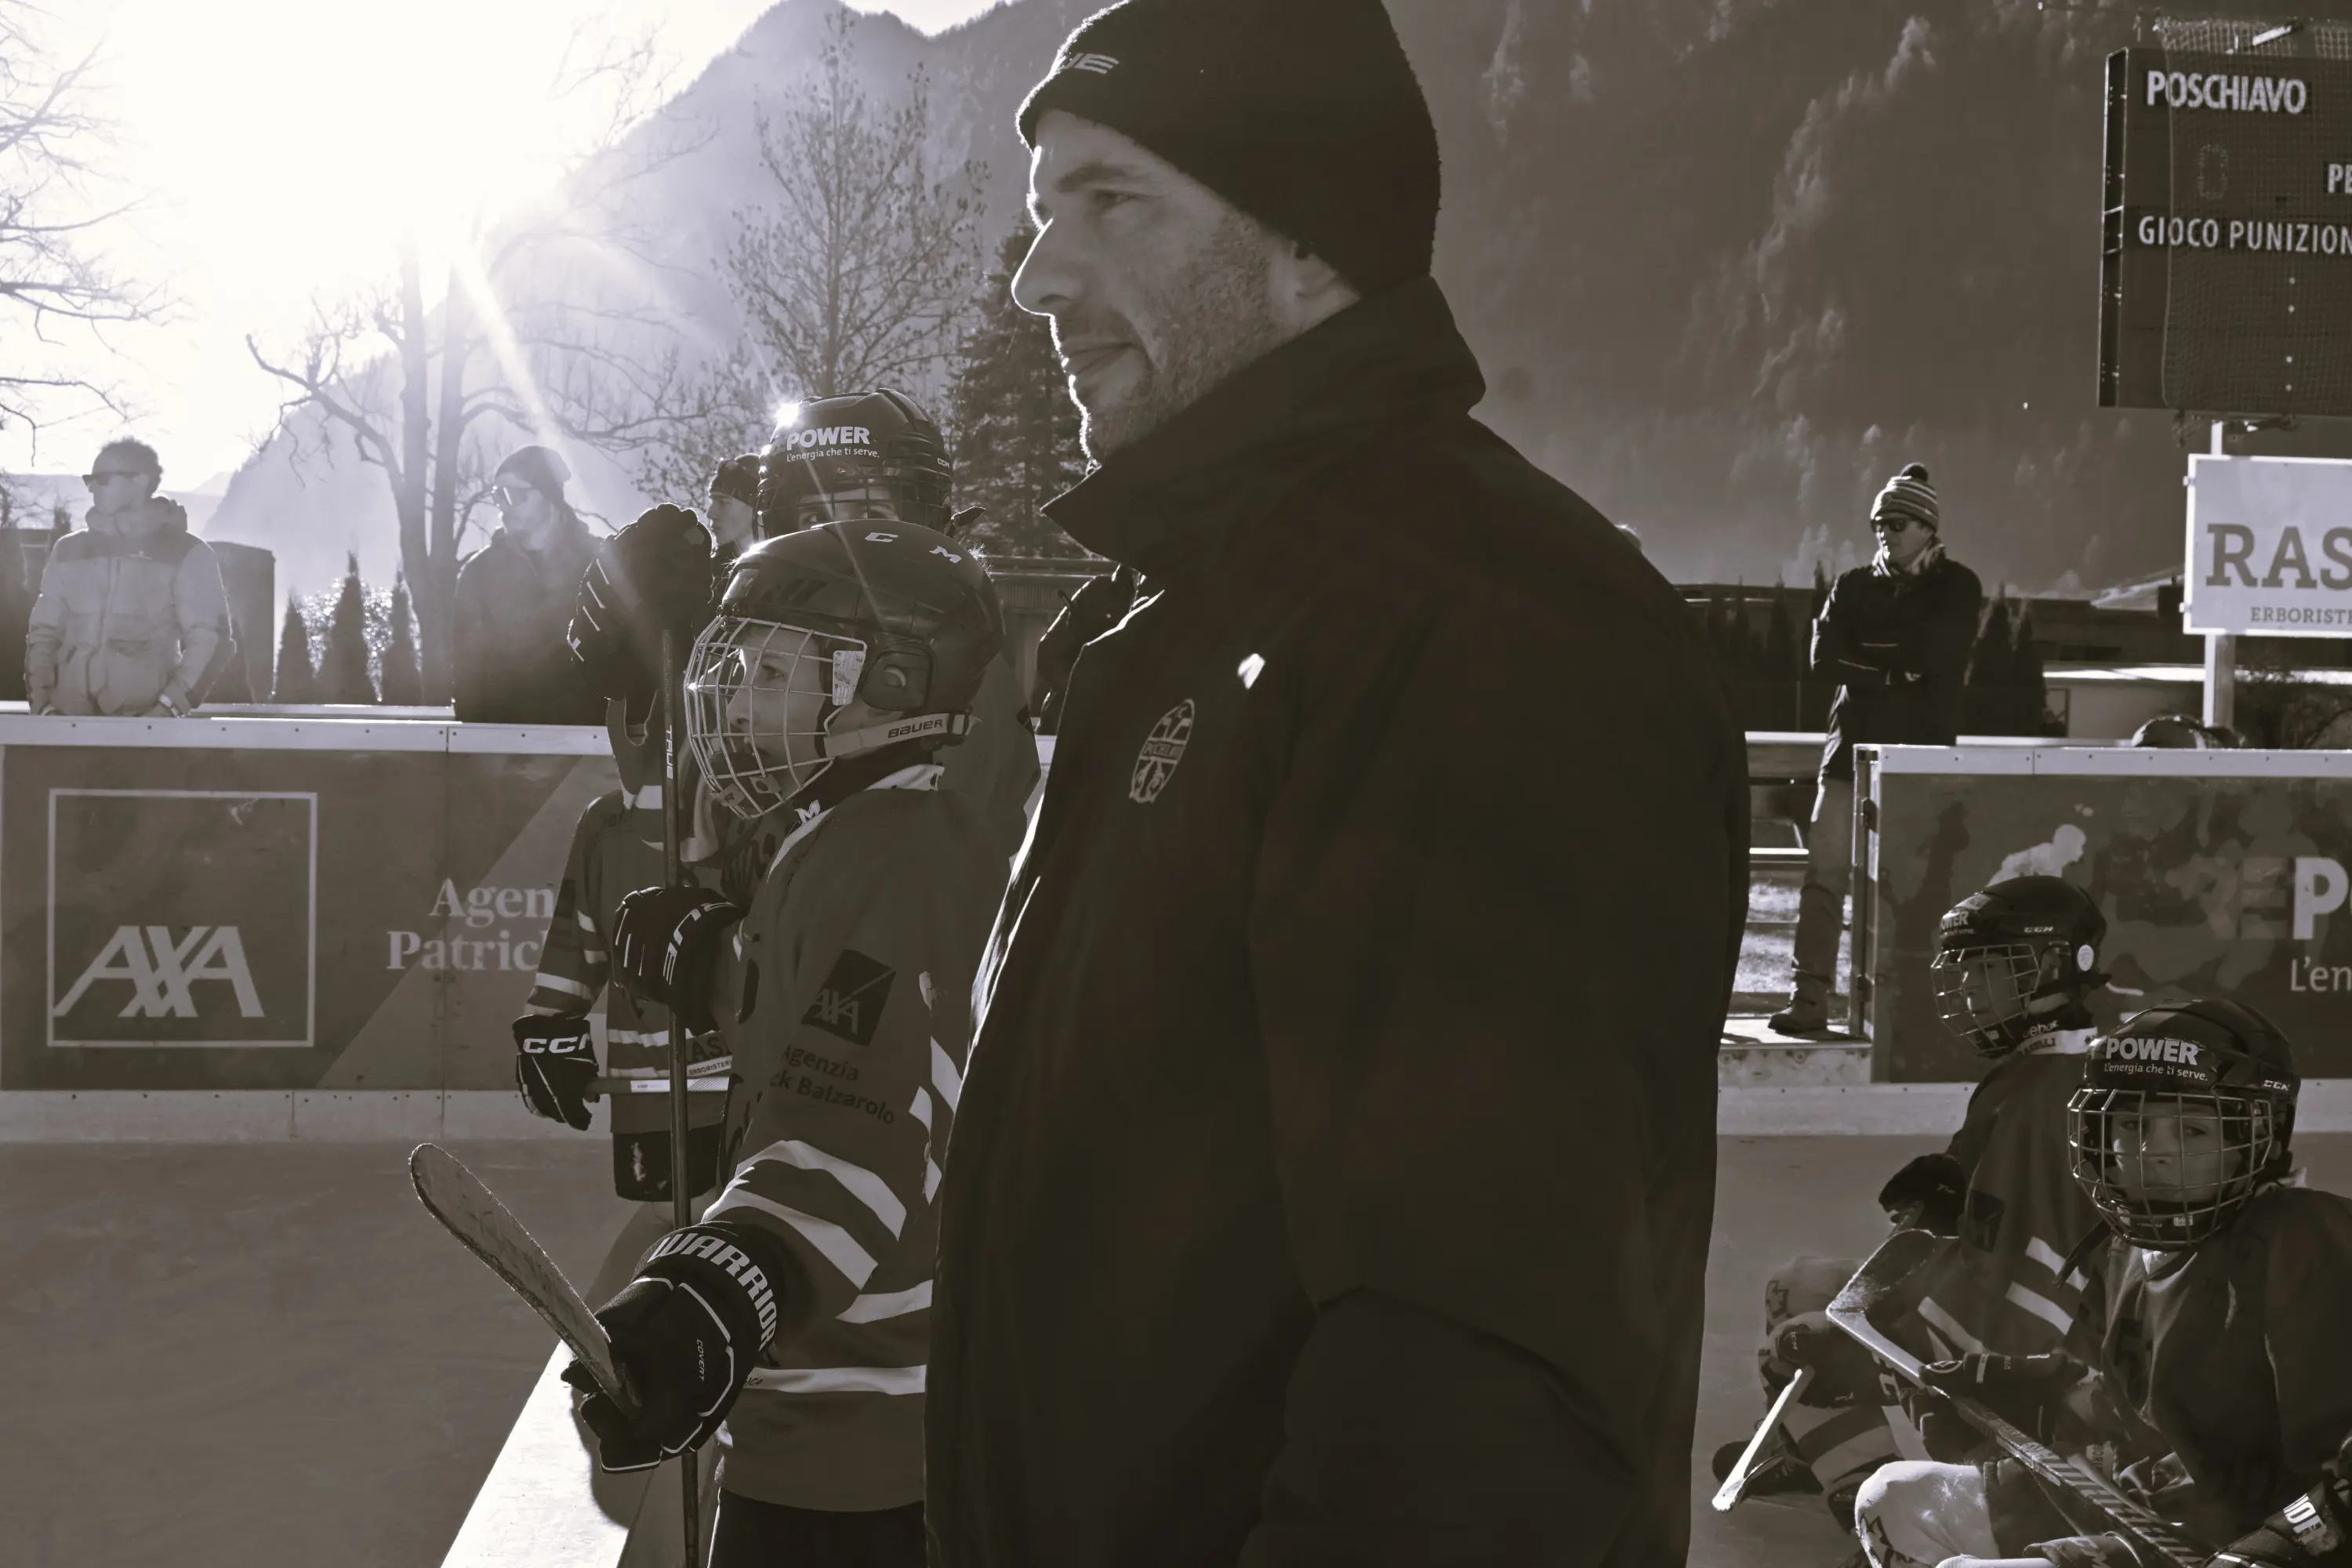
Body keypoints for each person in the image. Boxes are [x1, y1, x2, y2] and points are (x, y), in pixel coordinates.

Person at [927, 2, 1747, 1562]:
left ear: (1312, 244)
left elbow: (1476, 1387)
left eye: (1114, 201)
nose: (1039, 276)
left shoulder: (1486, 626)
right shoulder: (1195, 615)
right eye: (1044, 210)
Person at [571, 523, 1011, 1568]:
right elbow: (826, 1008)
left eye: (772, 671)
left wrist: (723, 1288)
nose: (735, 700)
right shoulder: (852, 829)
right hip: (817, 1411)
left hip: (864, 1436)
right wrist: (715, 965)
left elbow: (856, 1111)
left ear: (892, 681)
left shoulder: (903, 851)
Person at [1852, 1000, 2352, 1568]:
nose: (2152, 1152)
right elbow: (2131, 1412)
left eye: (2191, 1129)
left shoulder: (2306, 1240)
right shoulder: (2125, 1246)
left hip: (2249, 1541)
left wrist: (2276, 1548)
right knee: (1892, 1499)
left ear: (2259, 1134)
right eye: (2132, 1125)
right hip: (2153, 1510)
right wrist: (2034, 1389)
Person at [1730, 877, 2116, 1528]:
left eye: (1992, 970)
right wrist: (1949, 1205)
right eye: (1967, 971)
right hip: (2024, 1322)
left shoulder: (2043, 1096)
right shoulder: (2047, 1066)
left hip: (2026, 1360)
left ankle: (1862, 1493)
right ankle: (1830, 1455)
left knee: (1794, 1340)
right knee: (1802, 1283)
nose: (1970, 990)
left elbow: (2023, 1297)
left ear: (2057, 966)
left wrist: (1878, 1337)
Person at [759, 390, 1038, 865]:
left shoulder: (958, 676)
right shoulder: (776, 657)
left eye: (870, 516)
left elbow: (919, 879)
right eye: (815, 518)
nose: (841, 542)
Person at [1773, 462, 1983, 1035]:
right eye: (1878, 524)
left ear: (1927, 527)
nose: (1884, 533)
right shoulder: (1852, 585)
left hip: (1920, 762)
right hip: (1847, 756)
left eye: (1897, 523)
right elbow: (1823, 659)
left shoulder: (1958, 586)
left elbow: (1938, 657)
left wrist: (1866, 659)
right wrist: (1894, 672)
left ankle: (1909, 1010)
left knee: (1914, 888)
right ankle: (1808, 999)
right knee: (1824, 878)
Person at [511, 701, 729, 1203]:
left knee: (745, 1219)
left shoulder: (767, 815)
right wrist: (549, 1030)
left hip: (754, 1079)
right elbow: (577, 937)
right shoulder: (606, 822)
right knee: (667, 1216)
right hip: (653, 1085)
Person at [26, 437, 232, 717]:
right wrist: (43, 705)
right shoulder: (68, 549)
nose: (92, 487)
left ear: (140, 481)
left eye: (103, 479)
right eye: (89, 479)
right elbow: (43, 634)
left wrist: (167, 709)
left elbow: (211, 640)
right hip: (66, 724)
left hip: (145, 727)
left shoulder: (187, 553)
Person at [452, 444, 603, 725]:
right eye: (497, 497)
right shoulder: (479, 574)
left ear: (548, 495)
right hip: (504, 742)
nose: (503, 507)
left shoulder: (601, 564)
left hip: (590, 740)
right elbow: (467, 672)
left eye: (512, 494)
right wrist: (475, 743)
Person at [706, 454, 763, 558]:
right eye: (712, 501)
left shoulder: (789, 561)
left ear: (757, 508)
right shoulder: (707, 567)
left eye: (723, 503)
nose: (710, 514)